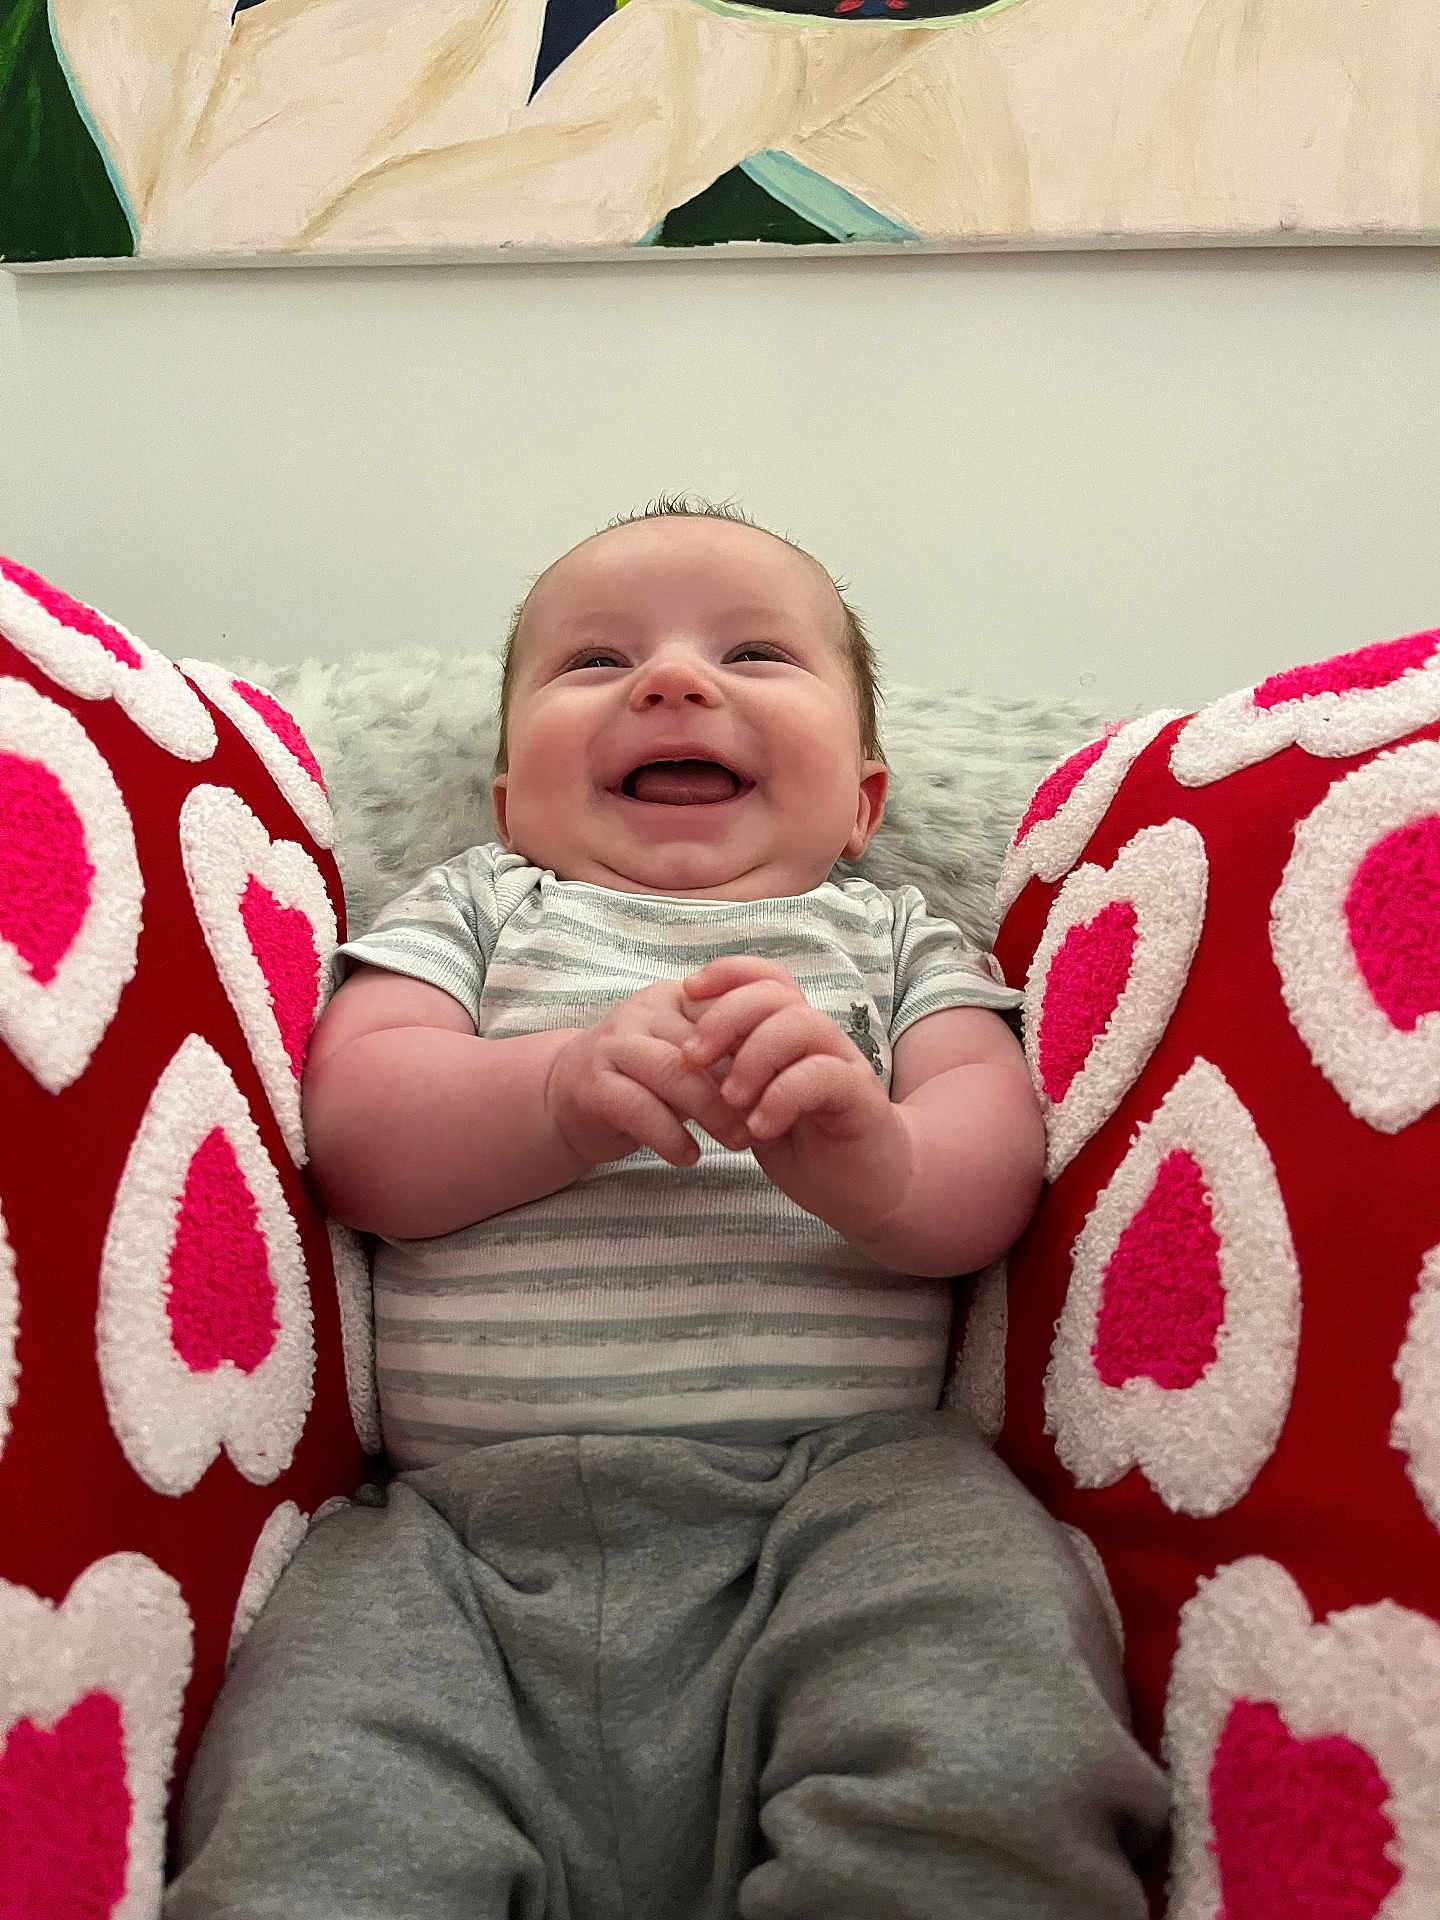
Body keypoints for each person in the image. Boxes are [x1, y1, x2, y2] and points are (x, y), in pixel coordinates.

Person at [163, 499, 1167, 1919]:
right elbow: (360, 1140)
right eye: (594, 663)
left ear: (864, 803)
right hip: (453, 1542)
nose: (674, 681)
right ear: (511, 795)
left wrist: (875, 1163)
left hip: (850, 1497)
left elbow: (994, 1166)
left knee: (990, 1707)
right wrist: (555, 1096)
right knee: (323, 1790)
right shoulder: (478, 906)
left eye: (756, 652)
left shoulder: (893, 932)